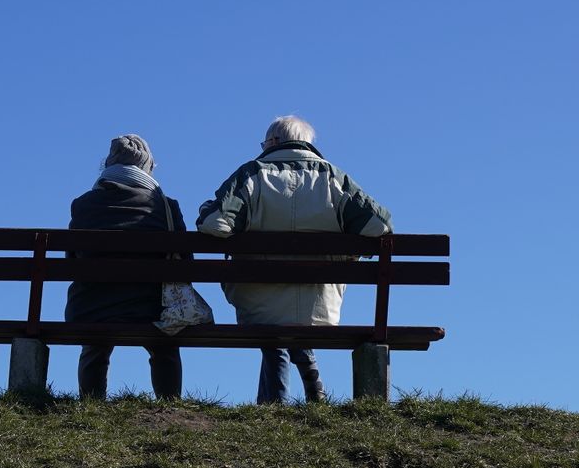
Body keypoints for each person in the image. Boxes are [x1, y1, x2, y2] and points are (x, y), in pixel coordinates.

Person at [196, 115, 392, 404]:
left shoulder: (252, 175)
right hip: (319, 305)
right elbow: (379, 227)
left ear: (273, 142)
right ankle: (308, 384)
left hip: (258, 302)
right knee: (291, 319)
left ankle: (273, 403)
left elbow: (215, 223)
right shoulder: (333, 178)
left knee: (275, 317)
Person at [64, 134, 185, 401]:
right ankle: (170, 404)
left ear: (108, 165)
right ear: (147, 168)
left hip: (91, 309)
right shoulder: (165, 206)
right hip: (151, 308)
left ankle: (91, 403)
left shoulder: (83, 205)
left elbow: (71, 263)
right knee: (165, 346)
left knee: (94, 346)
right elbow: (185, 264)